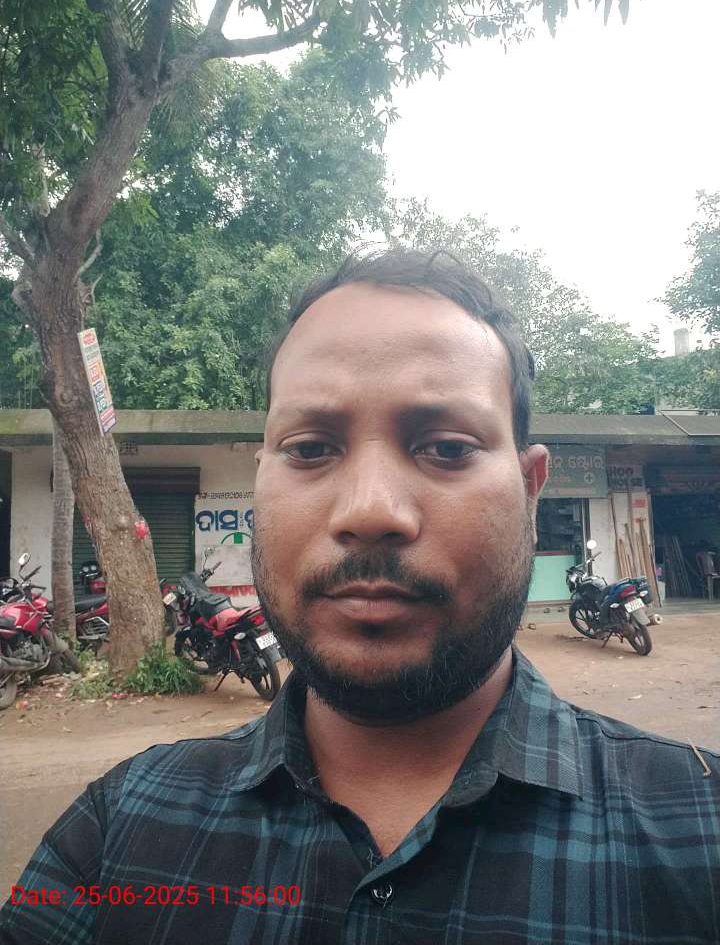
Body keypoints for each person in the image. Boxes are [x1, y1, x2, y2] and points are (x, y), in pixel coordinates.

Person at [1, 250, 718, 945]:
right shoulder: (117, 829)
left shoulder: (699, 829)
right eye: (311, 449)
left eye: (447, 447)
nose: (371, 511)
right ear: (261, 480)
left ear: (530, 491)